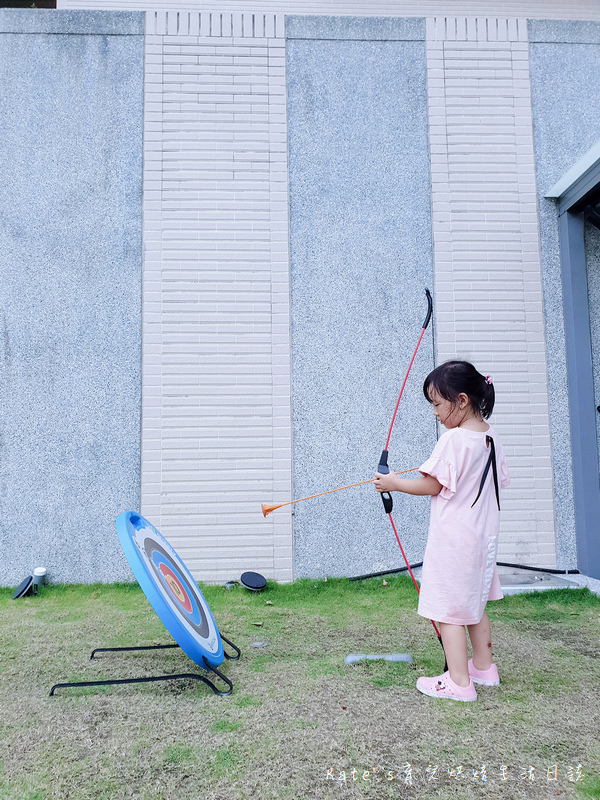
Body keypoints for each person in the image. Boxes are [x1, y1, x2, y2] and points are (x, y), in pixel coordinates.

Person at [374, 360, 509, 702]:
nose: (434, 412)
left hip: (455, 542)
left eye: (437, 404)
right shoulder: (490, 437)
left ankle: (459, 683)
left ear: (461, 401)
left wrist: (394, 483)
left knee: (449, 610)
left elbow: (433, 485)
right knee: (475, 606)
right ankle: (483, 667)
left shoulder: (453, 440)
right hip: (482, 540)